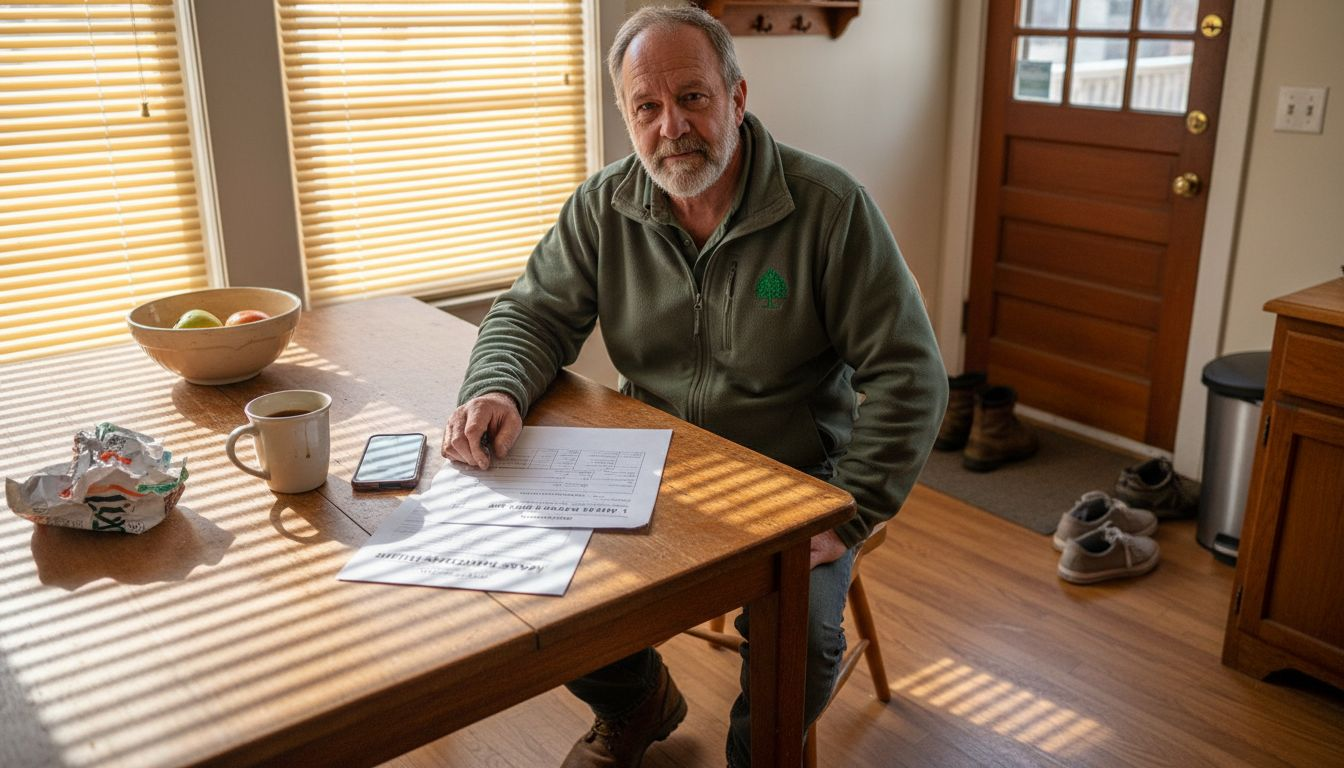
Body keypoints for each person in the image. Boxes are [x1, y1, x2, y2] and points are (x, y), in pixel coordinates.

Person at [441, 6, 947, 766]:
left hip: (794, 481)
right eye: (647, 107)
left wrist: (852, 510)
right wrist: (498, 390)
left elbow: (911, 376)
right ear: (627, 118)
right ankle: (637, 700)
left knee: (798, 642)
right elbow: (531, 315)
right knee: (538, 574)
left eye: (694, 98)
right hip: (652, 464)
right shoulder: (603, 206)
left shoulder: (831, 210)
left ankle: (754, 755)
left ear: (737, 100)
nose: (671, 127)